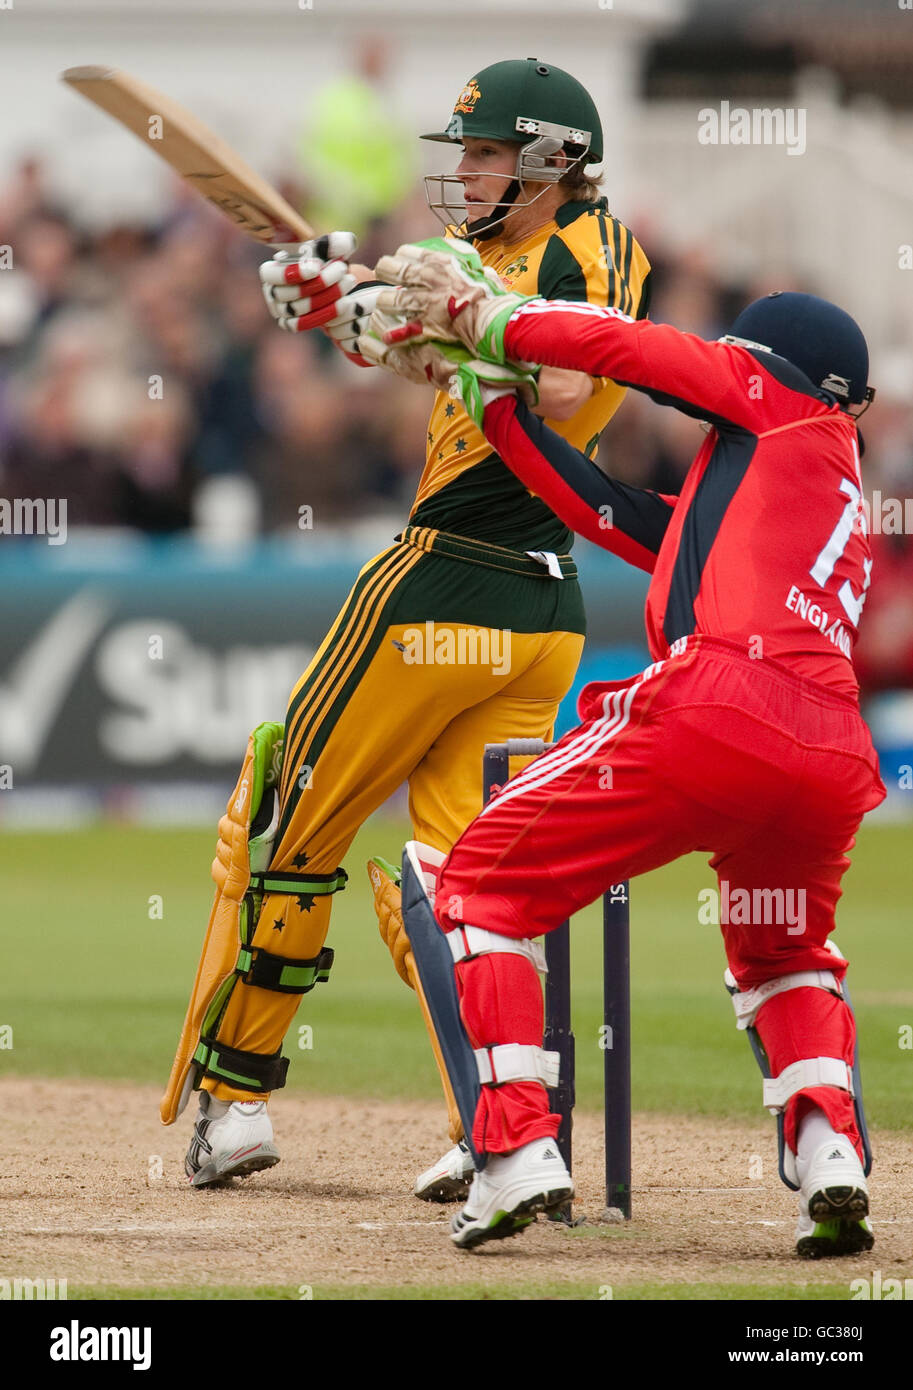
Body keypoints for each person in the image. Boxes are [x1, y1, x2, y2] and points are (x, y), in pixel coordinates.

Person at [160, 59, 652, 1202]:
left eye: (485, 154)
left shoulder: (577, 253)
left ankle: (236, 1102)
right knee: (460, 877)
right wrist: (350, 310)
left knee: (289, 814)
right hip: (542, 606)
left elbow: (560, 383)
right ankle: (501, 1127)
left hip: (443, 579)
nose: (467, 171)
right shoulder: (548, 256)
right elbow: (457, 355)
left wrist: (405, 300)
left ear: (551, 161)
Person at [368, 246, 885, 1255]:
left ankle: (516, 1148)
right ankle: (831, 1158)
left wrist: (492, 317)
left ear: (769, 368)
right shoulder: (806, 483)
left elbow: (637, 350)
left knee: (475, 882)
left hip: (720, 703)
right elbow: (611, 515)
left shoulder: (777, 407)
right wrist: (500, 414)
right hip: (826, 748)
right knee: (784, 955)